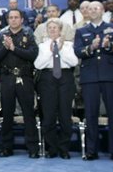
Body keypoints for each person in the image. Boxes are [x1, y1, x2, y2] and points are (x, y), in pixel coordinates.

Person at [74, 1, 113, 162]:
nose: (93, 10)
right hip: (90, 76)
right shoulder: (81, 31)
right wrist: (91, 47)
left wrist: (109, 45)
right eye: (90, 9)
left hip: (110, 75)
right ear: (86, 12)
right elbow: (78, 51)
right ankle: (91, 150)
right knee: (90, 114)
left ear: (102, 10)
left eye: (97, 8)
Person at [0, 9, 40, 158]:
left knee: (28, 113)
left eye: (16, 17)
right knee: (7, 114)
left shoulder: (28, 35)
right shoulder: (2, 37)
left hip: (24, 77)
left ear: (21, 20)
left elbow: (33, 54)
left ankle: (32, 148)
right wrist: (6, 48)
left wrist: (14, 48)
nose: (13, 20)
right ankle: (6, 147)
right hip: (7, 78)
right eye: (10, 17)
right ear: (7, 20)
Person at [34, 19, 79, 159]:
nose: (53, 30)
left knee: (65, 116)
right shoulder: (42, 46)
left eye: (55, 28)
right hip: (47, 79)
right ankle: (52, 148)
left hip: (65, 78)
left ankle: (64, 148)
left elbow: (73, 62)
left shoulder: (68, 44)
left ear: (60, 30)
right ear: (47, 31)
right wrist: (51, 51)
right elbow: (38, 64)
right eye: (50, 28)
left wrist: (60, 49)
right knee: (49, 116)